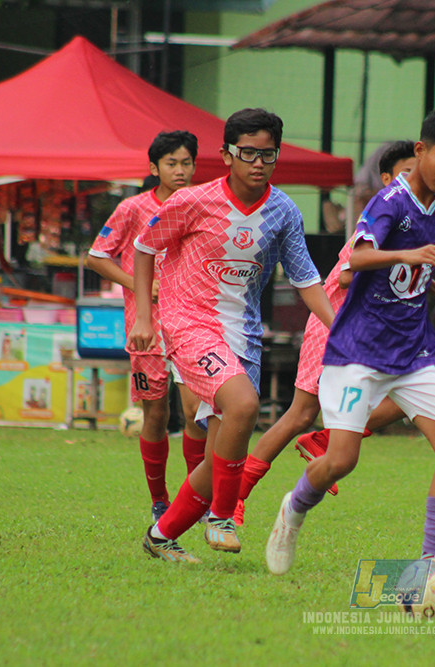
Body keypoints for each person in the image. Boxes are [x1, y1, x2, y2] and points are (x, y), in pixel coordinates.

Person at [265, 107, 435, 579]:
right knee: (340, 460)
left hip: (413, 352)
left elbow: (415, 270)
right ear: (420, 150)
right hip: (359, 349)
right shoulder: (388, 203)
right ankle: (293, 509)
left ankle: (429, 567)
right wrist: (409, 252)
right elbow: (357, 260)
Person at [130, 108, 335, 563]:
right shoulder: (192, 202)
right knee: (244, 405)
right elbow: (145, 248)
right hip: (189, 323)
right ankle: (222, 516)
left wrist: (337, 325)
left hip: (243, 336)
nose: (257, 162)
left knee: (220, 453)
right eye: (248, 153)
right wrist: (146, 316)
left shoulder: (283, 210)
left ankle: (160, 536)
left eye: (267, 154)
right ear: (226, 155)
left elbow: (305, 278)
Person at [86, 131, 207, 524]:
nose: (181, 170)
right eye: (172, 163)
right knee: (155, 415)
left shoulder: (204, 205)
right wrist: (142, 286)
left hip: (194, 325)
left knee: (195, 413)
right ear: (154, 168)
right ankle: (159, 499)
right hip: (148, 329)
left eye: (187, 162)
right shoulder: (132, 209)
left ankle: (195, 497)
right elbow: (96, 258)